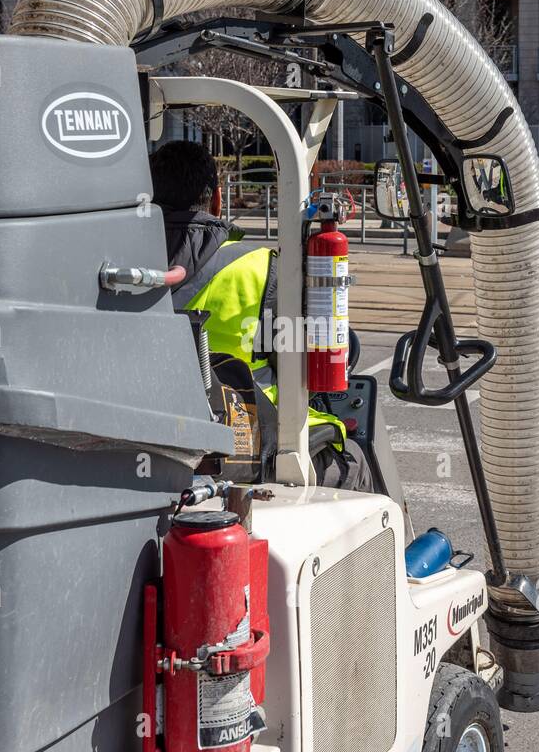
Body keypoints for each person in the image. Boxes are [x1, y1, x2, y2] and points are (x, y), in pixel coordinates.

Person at [150, 140, 374, 491]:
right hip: (247, 450)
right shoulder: (260, 269)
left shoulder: (120, 268)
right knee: (354, 463)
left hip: (145, 443)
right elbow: (303, 367)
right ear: (217, 199)